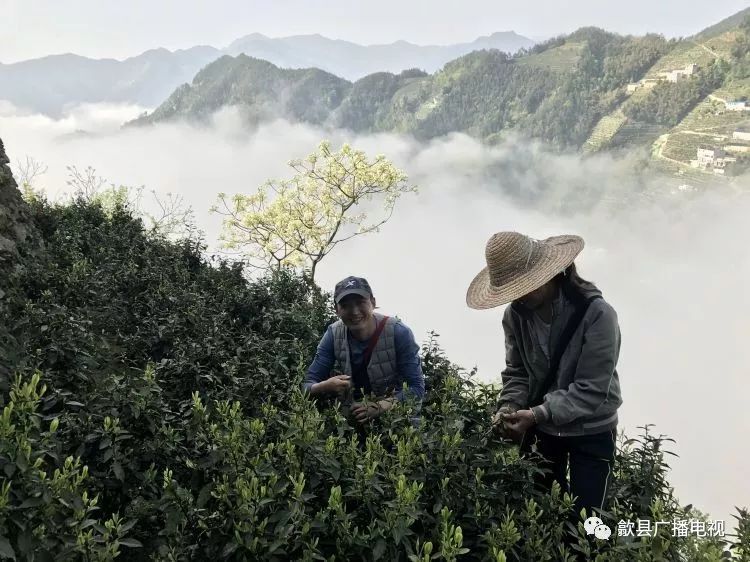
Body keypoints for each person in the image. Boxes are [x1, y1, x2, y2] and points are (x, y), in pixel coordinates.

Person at [466, 231, 622, 517]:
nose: (520, 296)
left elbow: (592, 388)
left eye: (524, 286)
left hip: (591, 429)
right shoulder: (516, 316)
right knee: (542, 512)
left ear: (550, 275)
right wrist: (508, 407)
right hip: (545, 430)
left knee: (589, 518)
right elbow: (517, 372)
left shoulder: (597, 315)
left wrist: (536, 414)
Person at [303, 276, 425, 426]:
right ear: (336, 310)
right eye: (345, 305)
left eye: (360, 303)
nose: (354, 311)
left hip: (397, 420)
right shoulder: (333, 334)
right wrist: (325, 386)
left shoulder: (399, 332)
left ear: (373, 302)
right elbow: (306, 386)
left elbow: (416, 388)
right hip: (353, 421)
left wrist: (380, 406)